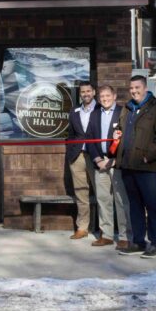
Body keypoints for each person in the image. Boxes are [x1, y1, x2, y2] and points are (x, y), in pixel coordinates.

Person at [114, 75, 156, 258]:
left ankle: (155, 243)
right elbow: (124, 132)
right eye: (131, 88)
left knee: (152, 206)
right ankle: (138, 242)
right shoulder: (127, 108)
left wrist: (148, 156)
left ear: (145, 88)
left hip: (148, 168)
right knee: (135, 206)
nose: (134, 91)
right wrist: (118, 135)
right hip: (128, 166)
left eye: (137, 87)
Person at [86, 85, 131, 249]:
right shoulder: (95, 114)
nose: (104, 99)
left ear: (114, 95)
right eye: (102, 96)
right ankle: (107, 235)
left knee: (121, 200)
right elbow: (89, 137)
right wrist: (98, 159)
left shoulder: (123, 112)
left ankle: (125, 236)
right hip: (100, 163)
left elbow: (127, 139)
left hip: (116, 163)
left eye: (107, 95)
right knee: (103, 200)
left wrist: (112, 161)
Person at [66, 81, 98, 241]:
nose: (85, 94)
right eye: (83, 92)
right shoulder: (74, 111)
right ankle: (83, 227)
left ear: (94, 92)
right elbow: (71, 134)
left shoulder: (101, 109)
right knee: (81, 192)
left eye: (88, 91)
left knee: (103, 191)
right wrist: (71, 151)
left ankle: (105, 228)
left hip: (96, 156)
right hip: (77, 155)